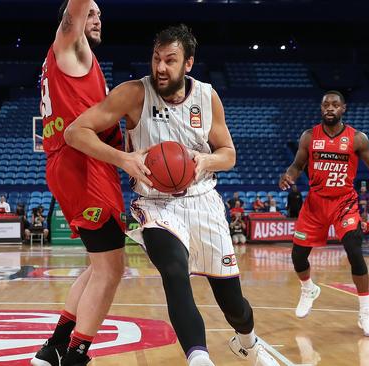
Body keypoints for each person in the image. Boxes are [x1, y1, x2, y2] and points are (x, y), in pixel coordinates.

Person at [65, 24, 279, 366]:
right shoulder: (134, 93)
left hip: (203, 200)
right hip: (155, 205)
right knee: (174, 270)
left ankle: (247, 342)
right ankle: (198, 358)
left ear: (188, 63)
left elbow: (229, 154)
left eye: (170, 60)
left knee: (234, 305)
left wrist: (206, 159)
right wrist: (124, 159)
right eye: (156, 58)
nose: (160, 67)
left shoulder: (207, 97)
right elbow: (75, 132)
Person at [31, 1, 127, 366]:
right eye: (91, 13)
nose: (98, 18)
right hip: (81, 162)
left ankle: (55, 346)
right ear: (71, 20)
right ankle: (75, 355)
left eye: (100, 14)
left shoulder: (73, 59)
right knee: (110, 269)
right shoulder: (68, 43)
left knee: (99, 265)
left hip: (73, 162)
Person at [279, 90, 369, 337]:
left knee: (354, 250)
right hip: (315, 203)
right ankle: (308, 289)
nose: (329, 108)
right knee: (298, 257)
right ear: (321, 108)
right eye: (325, 104)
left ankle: (365, 313)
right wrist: (289, 176)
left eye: (335, 104)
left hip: (344, 202)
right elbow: (297, 165)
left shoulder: (357, 139)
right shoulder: (308, 137)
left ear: (343, 109)